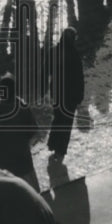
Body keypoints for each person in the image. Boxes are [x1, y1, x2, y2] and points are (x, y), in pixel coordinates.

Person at [0, 74, 37, 183]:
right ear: (15, 90)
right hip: (21, 163)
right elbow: (32, 130)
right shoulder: (23, 107)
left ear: (1, 92)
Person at [46, 27, 84, 162]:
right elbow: (79, 77)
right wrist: (80, 96)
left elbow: (48, 71)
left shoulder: (53, 51)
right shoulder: (74, 54)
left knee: (57, 118)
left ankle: (52, 144)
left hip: (57, 92)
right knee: (66, 122)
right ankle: (60, 150)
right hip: (71, 95)